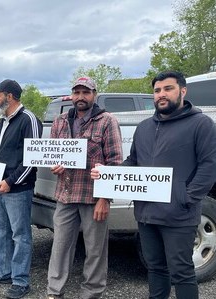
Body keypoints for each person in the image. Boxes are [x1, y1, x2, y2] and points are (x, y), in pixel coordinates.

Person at [92, 71, 216, 299]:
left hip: (179, 215)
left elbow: (209, 167)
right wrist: (108, 173)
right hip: (147, 214)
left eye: (168, 89)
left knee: (182, 273)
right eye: (157, 90)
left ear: (182, 91)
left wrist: (186, 198)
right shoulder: (145, 127)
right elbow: (133, 162)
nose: (162, 94)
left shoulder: (201, 124)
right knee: (156, 269)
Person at [45, 77, 123, 299]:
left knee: (95, 251)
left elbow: (115, 162)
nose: (80, 97)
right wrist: (55, 166)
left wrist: (104, 199)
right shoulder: (60, 121)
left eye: (85, 92)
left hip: (92, 198)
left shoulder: (107, 121)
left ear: (94, 95)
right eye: (76, 92)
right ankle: (54, 292)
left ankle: (91, 293)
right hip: (65, 196)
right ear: (71, 95)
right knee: (59, 248)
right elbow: (53, 153)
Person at [0, 79, 42, 299]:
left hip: (17, 189)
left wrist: (11, 182)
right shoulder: (1, 122)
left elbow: (32, 160)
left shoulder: (29, 120)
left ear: (10, 96)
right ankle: (2, 271)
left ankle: (20, 280)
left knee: (20, 235)